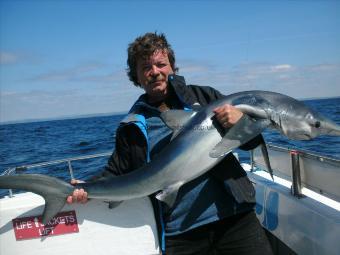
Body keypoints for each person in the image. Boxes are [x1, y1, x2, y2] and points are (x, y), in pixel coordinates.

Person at [67, 32, 273, 255]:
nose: (154, 72)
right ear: (136, 77)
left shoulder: (206, 98)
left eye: (160, 64)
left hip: (235, 218)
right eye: (146, 67)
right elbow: (117, 171)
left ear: (172, 67)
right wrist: (85, 187)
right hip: (180, 234)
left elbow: (252, 145)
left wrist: (242, 124)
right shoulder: (131, 126)